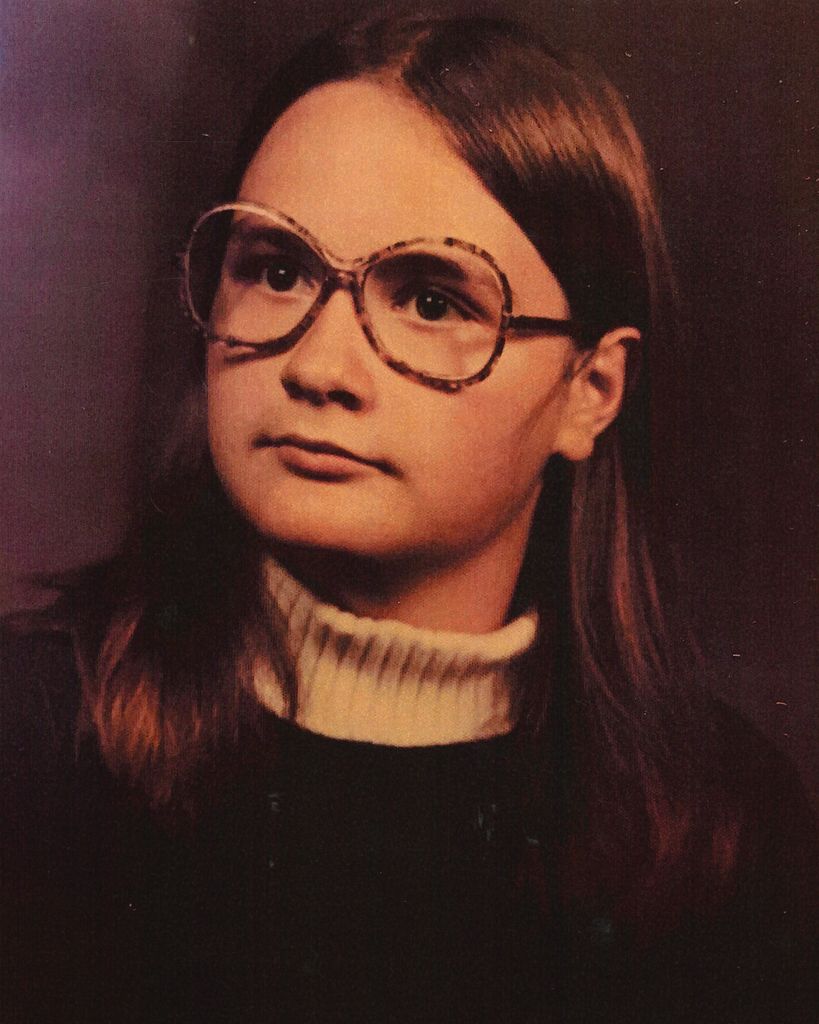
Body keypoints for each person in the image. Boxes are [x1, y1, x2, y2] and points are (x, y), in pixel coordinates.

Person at [1, 13, 816, 1024]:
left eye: (431, 300)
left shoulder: (725, 836)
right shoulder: (29, 737)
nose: (319, 368)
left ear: (589, 392)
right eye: (278, 271)